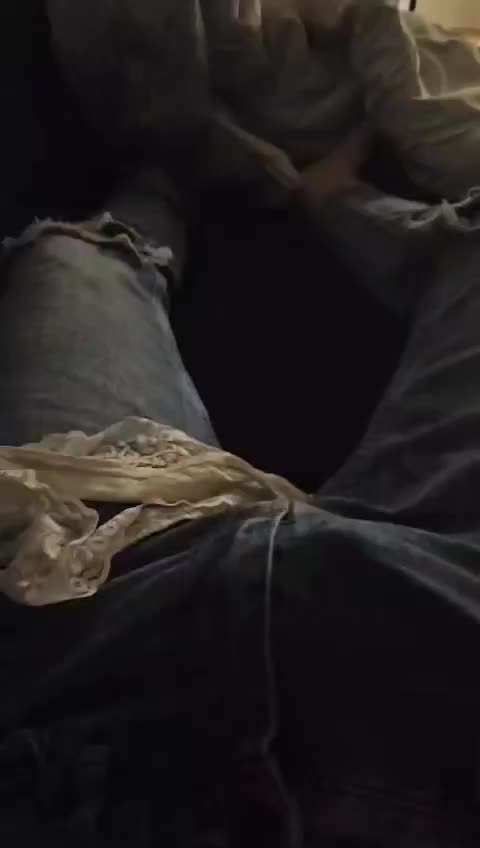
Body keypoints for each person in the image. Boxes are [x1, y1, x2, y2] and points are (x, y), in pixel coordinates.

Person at [1, 144, 480, 848]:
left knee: (73, 264)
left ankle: (166, 171)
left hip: (88, 644)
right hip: (425, 596)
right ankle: (281, 188)